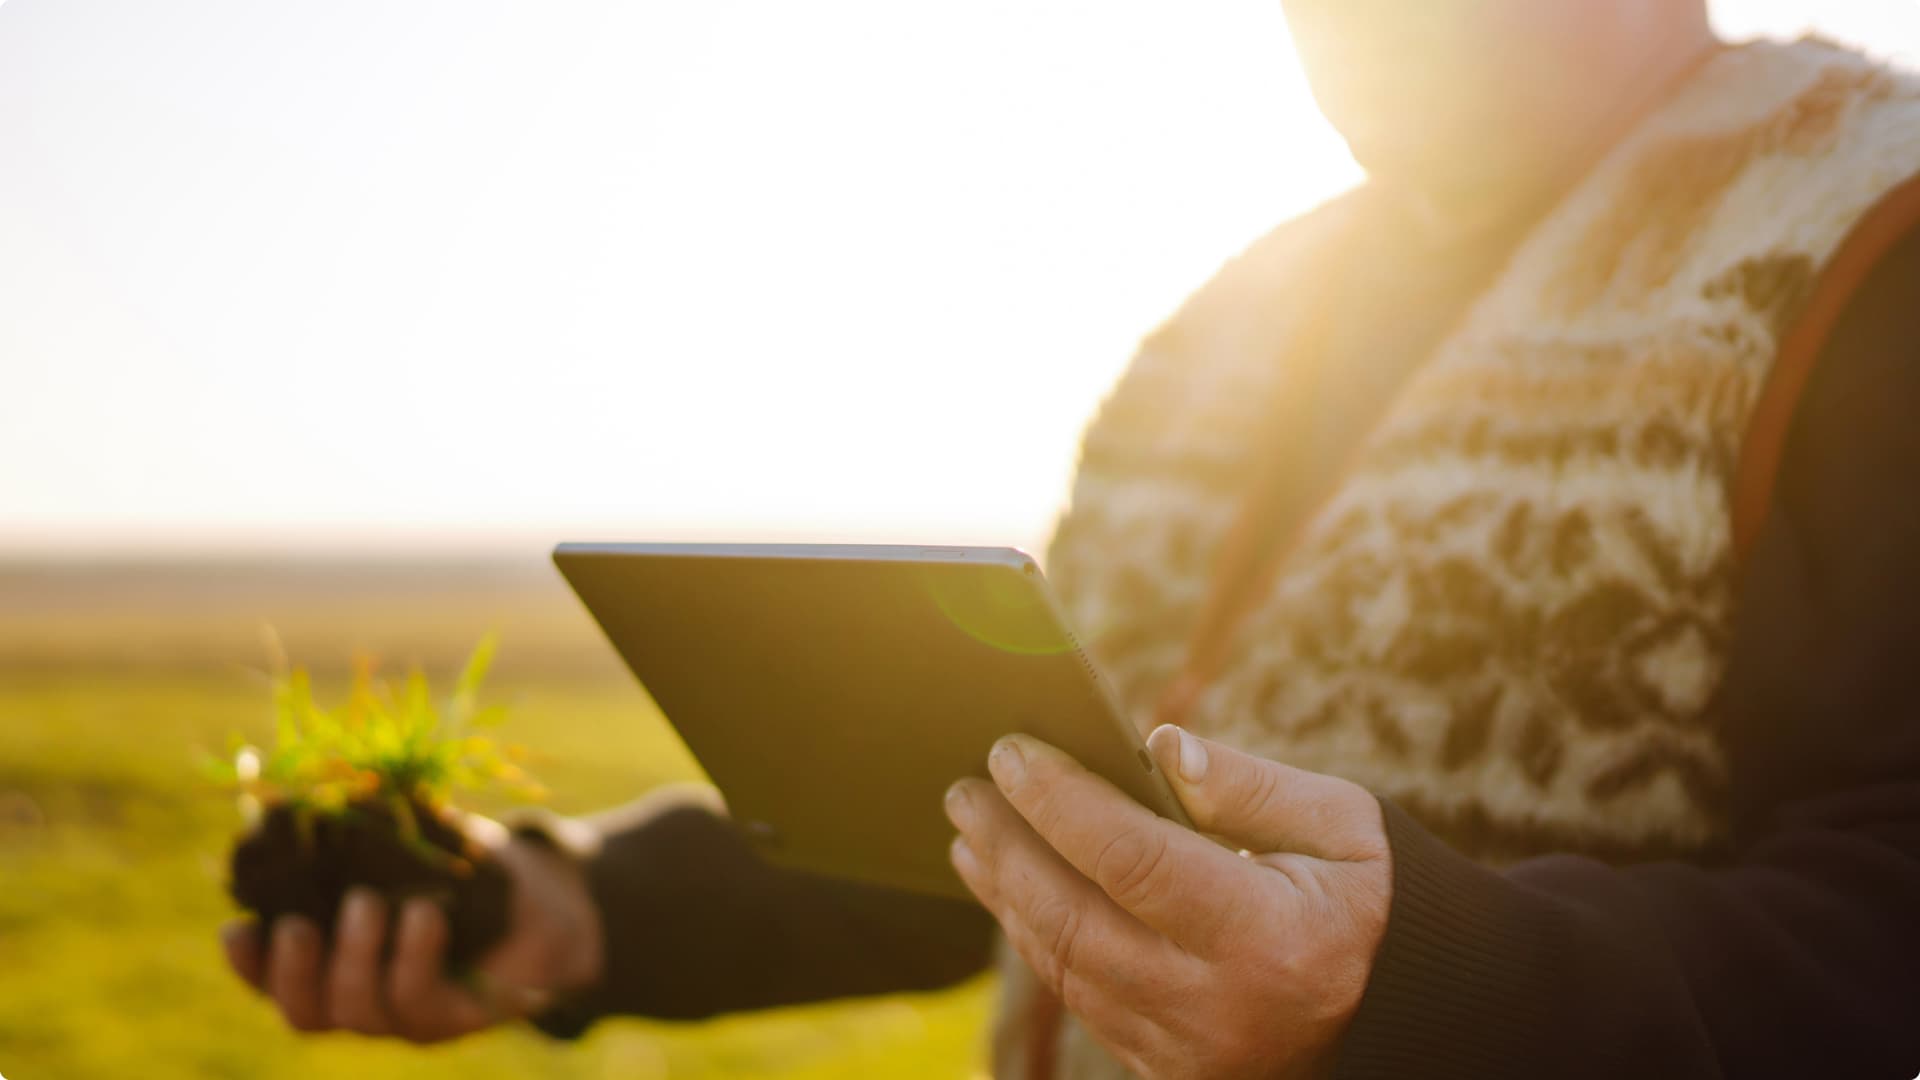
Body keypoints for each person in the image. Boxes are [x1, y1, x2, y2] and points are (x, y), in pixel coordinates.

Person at [223, 2, 1920, 1076]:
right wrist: (581, 911)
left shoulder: (1869, 234)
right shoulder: (1225, 326)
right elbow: (1020, 821)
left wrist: (1421, 990)